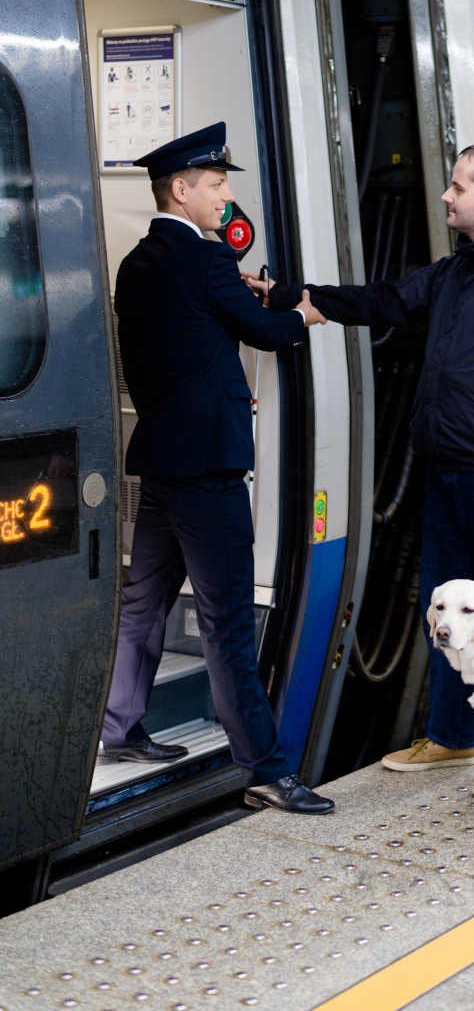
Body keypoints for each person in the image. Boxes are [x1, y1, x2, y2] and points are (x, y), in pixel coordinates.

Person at [246, 142, 474, 799]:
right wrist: (295, 297)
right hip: (449, 473)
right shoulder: (458, 272)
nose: (446, 196)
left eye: (458, 187)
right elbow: (386, 301)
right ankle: (454, 735)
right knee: (447, 613)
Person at [99, 122, 334, 816]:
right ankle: (265, 768)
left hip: (162, 463)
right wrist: (305, 312)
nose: (225, 198)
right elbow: (266, 330)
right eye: (217, 184)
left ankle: (118, 728)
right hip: (208, 470)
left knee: (143, 602)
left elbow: (189, 331)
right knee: (226, 621)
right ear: (181, 188)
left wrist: (240, 295)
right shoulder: (207, 262)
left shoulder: (137, 263)